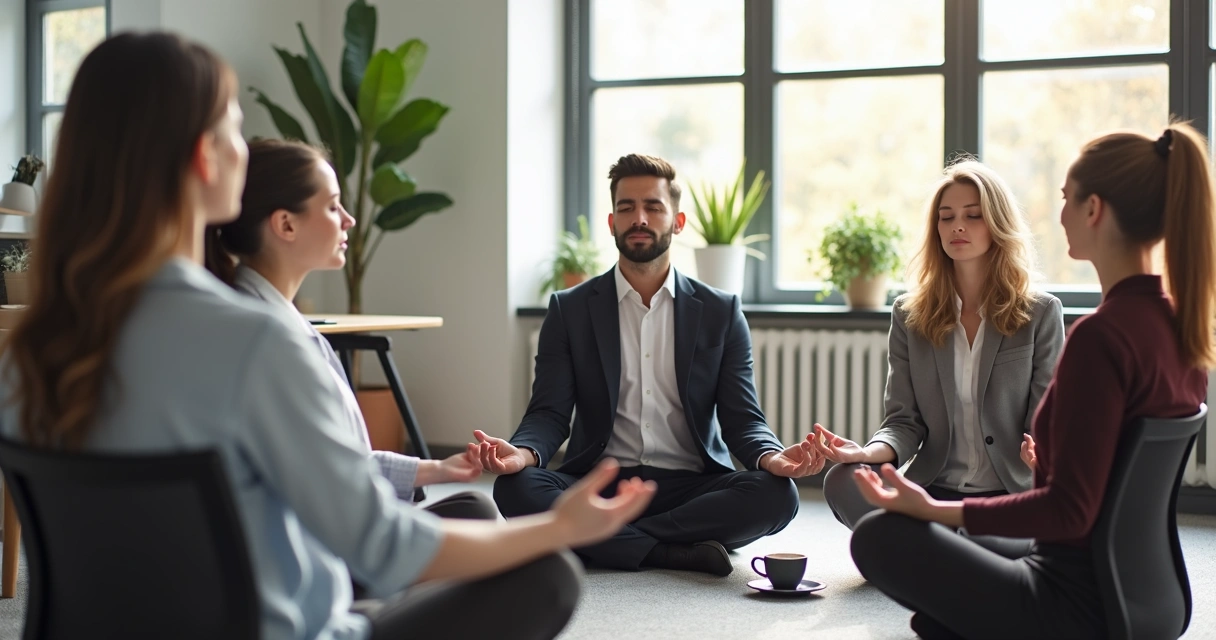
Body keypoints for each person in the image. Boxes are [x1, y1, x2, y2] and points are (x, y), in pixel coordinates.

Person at [0, 32, 656, 640]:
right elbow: (384, 549)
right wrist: (556, 529)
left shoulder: (31, 353)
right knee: (548, 575)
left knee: (466, 526)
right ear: (204, 157)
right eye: (235, 127)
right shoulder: (252, 342)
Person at [847, 124, 1214, 639]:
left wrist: (931, 508)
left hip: (1074, 601)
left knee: (881, 537)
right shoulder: (1182, 324)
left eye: (1066, 199)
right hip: (1152, 599)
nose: (1058, 214)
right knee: (937, 609)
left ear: (1094, 210)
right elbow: (1119, 481)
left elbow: (1067, 512)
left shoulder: (1101, 335)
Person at [476, 153, 821, 577]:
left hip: (691, 485)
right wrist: (523, 454)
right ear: (612, 222)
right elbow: (548, 413)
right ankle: (670, 551)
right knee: (516, 488)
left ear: (677, 222)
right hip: (598, 482)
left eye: (653, 207)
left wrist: (771, 457)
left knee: (777, 495)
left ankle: (603, 539)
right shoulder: (570, 310)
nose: (639, 218)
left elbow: (741, 418)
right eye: (626, 208)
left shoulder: (721, 311)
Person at [205, 138, 491, 518]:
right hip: (327, 544)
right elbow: (324, 478)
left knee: (478, 510)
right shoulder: (268, 336)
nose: (349, 219)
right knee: (485, 520)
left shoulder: (273, 317)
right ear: (286, 224)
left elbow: (335, 461)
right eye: (332, 205)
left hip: (339, 524)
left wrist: (436, 469)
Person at [812, 160, 1064, 529]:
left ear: (998, 225)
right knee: (843, 481)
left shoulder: (1041, 313)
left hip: (1009, 494)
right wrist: (867, 454)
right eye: (946, 217)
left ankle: (923, 551)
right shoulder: (909, 314)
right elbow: (903, 422)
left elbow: (1045, 422)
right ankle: (942, 550)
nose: (957, 226)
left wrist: (1043, 457)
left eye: (973, 215)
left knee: (999, 544)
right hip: (932, 491)